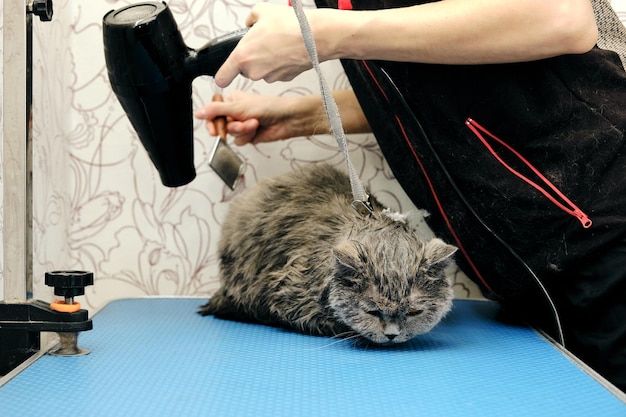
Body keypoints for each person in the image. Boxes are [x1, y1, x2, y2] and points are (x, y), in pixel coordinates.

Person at [195, 0, 626, 392]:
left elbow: (560, 16)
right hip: (524, 277)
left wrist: (322, 33)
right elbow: (441, 90)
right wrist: (301, 116)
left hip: (606, 231)